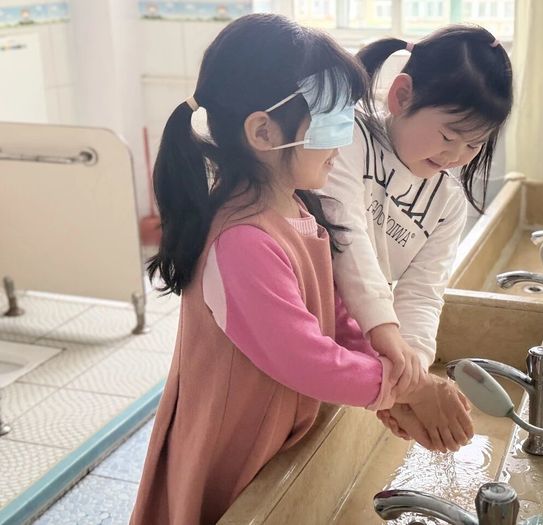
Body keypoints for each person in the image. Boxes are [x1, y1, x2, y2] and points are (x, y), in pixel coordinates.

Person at [130, 14, 473, 525]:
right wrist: (403, 387)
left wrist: (391, 378)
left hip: (273, 430)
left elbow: (333, 314)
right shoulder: (241, 242)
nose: (343, 142)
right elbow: (306, 360)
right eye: (333, 123)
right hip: (230, 446)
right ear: (264, 132)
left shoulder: (297, 209)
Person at [318, 25, 513, 439]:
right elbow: (346, 236)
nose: (455, 155)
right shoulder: (347, 138)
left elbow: (423, 293)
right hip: (313, 331)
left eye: (474, 145)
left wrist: (412, 372)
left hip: (358, 355)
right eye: (448, 136)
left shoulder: (448, 202)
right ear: (402, 95)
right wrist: (395, 351)